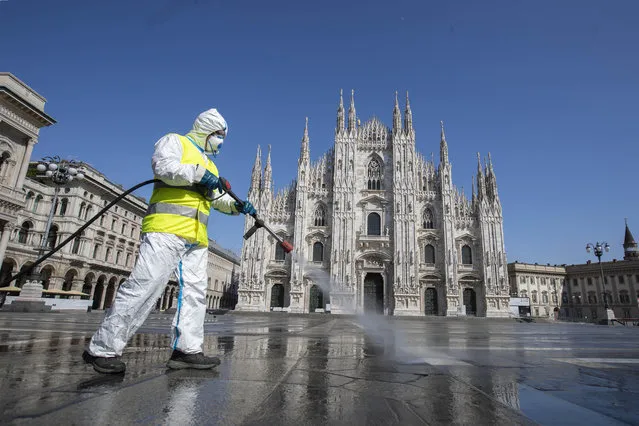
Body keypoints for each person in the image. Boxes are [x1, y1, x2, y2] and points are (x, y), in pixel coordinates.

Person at [82, 108, 256, 374]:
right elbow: (164, 168)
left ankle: (187, 350)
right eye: (219, 135)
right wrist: (198, 174)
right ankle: (103, 349)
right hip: (166, 229)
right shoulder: (176, 141)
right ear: (207, 131)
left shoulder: (209, 164)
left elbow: (214, 198)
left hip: (196, 238)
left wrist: (236, 207)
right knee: (145, 287)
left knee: (195, 296)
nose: (220, 141)